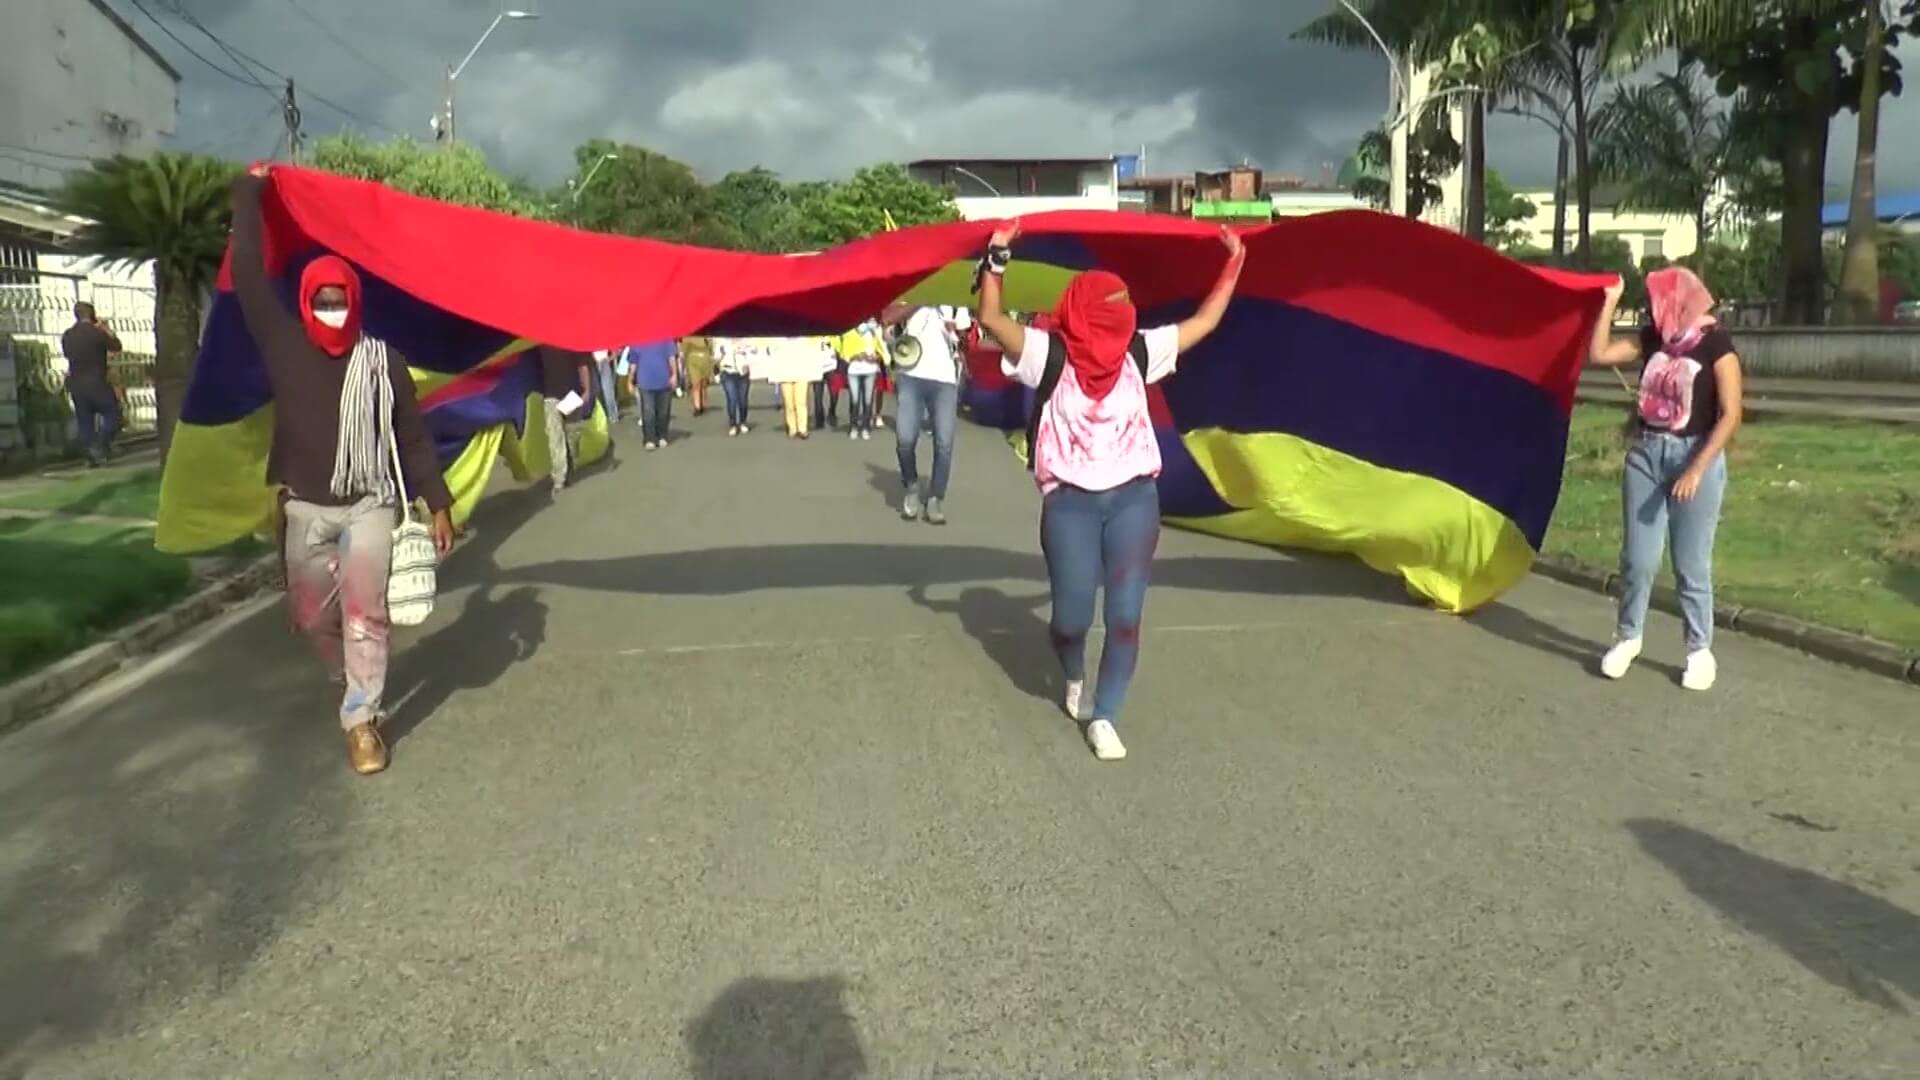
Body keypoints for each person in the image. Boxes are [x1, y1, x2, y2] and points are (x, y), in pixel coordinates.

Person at [974, 219, 1244, 761]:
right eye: (1103, 320)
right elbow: (990, 319)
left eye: (1118, 321)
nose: (1110, 334)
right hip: (1070, 504)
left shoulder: (1140, 353)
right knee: (1072, 618)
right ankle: (1072, 671)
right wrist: (997, 257)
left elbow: (1206, 321)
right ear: (1076, 316)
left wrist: (1233, 261)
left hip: (1134, 501)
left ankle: (1106, 715)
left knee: (1124, 615)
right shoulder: (1046, 355)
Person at [230, 165, 456, 776]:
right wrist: (248, 193)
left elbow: (411, 436)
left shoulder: (382, 361)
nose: (331, 310)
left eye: (340, 300)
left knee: (365, 612)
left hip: (369, 504)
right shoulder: (282, 343)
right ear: (305, 303)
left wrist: (438, 503)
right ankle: (347, 677)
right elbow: (249, 275)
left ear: (354, 302)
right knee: (314, 617)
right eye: (321, 301)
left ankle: (362, 719)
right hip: (304, 507)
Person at [1588, 266, 1744, 691]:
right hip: (1646, 453)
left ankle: (1698, 650)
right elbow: (1599, 355)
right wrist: (1608, 302)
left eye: (1658, 299)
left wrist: (1696, 469)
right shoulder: (1654, 338)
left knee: (1691, 563)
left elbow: (1731, 415)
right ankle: (1628, 637)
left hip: (1697, 456)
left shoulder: (1717, 345)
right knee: (1638, 560)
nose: (1653, 307)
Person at [888, 303, 961, 524]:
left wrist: (954, 330)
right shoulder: (912, 290)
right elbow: (888, 316)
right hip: (911, 374)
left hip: (945, 379)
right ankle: (911, 486)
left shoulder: (954, 301)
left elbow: (967, 336)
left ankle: (935, 498)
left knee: (944, 443)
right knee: (905, 439)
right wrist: (920, 301)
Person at [60, 302, 123, 467]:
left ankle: (90, 455)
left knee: (85, 421)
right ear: (92, 315)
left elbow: (67, 354)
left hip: (77, 384)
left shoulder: (67, 335)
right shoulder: (97, 333)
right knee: (113, 415)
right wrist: (106, 330)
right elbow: (116, 347)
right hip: (97, 381)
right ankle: (101, 444)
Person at [539, 345, 594, 488]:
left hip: (571, 395)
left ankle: (569, 466)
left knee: (572, 434)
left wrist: (587, 390)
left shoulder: (569, 339)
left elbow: (583, 364)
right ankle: (559, 478)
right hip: (550, 396)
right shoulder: (539, 343)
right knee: (555, 437)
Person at [625, 338, 680, 450]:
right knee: (648, 412)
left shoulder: (666, 338)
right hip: (645, 383)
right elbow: (633, 363)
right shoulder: (637, 340)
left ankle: (662, 436)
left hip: (664, 381)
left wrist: (674, 374)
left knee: (663, 412)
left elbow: (671, 357)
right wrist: (630, 381)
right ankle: (649, 438)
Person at [838, 319, 885, 440]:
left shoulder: (874, 331)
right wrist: (854, 356)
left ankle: (865, 428)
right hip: (853, 370)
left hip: (870, 369)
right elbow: (843, 352)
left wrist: (876, 357)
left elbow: (882, 350)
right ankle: (853, 427)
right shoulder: (849, 332)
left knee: (868, 400)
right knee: (855, 400)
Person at [717, 337, 755, 435]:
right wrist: (722, 351)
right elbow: (716, 356)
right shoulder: (722, 340)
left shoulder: (746, 339)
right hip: (727, 372)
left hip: (743, 373)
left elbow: (754, 351)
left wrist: (744, 350)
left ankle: (743, 422)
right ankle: (733, 424)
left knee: (743, 400)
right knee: (732, 399)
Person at [682, 335, 716, 417]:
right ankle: (697, 407)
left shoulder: (707, 335)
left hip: (705, 360)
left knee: (703, 384)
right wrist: (684, 363)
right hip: (693, 361)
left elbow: (711, 349)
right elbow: (684, 350)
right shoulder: (688, 335)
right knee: (696, 384)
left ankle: (702, 403)